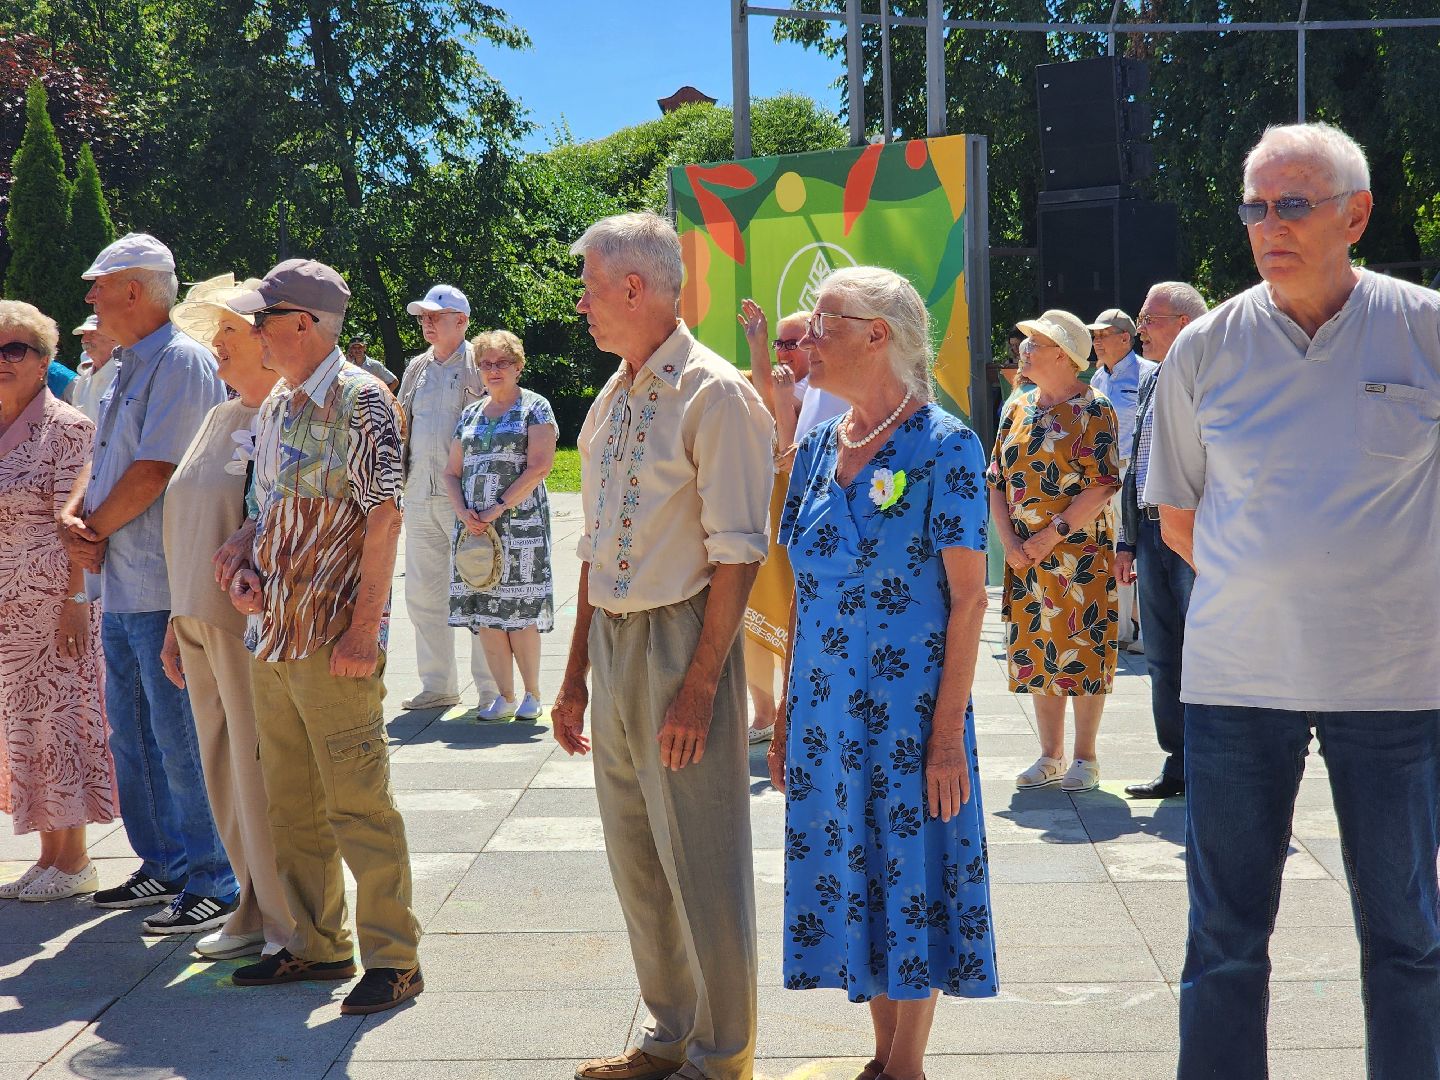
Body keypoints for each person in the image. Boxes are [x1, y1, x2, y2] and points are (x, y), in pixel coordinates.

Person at [1146, 121, 1440, 1080]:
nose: (1269, 225)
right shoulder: (1203, 349)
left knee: (1409, 940)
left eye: (1295, 204)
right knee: (1223, 941)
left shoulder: (1426, 329)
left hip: (1399, 686)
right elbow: (1180, 517)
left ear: (1356, 214)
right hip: (1236, 685)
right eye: (1256, 207)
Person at [553, 211, 773, 1080]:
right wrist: (570, 678)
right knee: (638, 855)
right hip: (613, 641)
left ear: (635, 288)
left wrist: (698, 687)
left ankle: (724, 1058)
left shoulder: (715, 393)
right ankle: (666, 1036)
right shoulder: (615, 394)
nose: (581, 305)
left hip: (686, 641)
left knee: (704, 858)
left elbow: (738, 556)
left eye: (591, 288)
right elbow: (593, 550)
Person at [768, 267, 997, 1080]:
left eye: (826, 324)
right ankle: (878, 1057)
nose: (807, 340)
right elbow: (801, 589)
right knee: (852, 872)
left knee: (910, 872)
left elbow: (969, 602)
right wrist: (789, 708)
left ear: (879, 336)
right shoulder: (815, 449)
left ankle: (905, 1066)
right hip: (828, 712)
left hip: (910, 716)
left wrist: (945, 742)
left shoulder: (947, 445)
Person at [224, 258, 423, 1016]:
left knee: (358, 803)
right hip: (275, 632)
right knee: (292, 805)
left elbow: (385, 515)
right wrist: (243, 551)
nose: (255, 335)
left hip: (333, 635)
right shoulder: (278, 402)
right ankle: (316, 945)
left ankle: (395, 959)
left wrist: (364, 630)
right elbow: (271, 504)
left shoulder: (361, 400)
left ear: (302, 324)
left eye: (265, 321)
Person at [59, 233, 237, 934]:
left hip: (164, 581)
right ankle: (163, 862)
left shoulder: (182, 363)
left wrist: (93, 530)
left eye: (100, 285)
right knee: (132, 735)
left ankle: (212, 877)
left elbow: (156, 469)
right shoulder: (129, 364)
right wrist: (79, 515)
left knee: (177, 735)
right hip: (125, 585)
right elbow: (105, 460)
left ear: (136, 289)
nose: (91, 297)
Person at [158, 274, 294, 960]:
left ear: (267, 342)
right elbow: (188, 516)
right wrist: (174, 622)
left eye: (230, 335)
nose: (217, 348)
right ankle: (248, 905)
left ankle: (283, 919)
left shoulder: (284, 416)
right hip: (196, 618)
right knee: (222, 771)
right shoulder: (223, 412)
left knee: (257, 769)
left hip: (246, 624)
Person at [0, 301, 119, 902]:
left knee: (59, 726)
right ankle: (47, 855)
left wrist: (77, 598)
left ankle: (75, 861)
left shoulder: (69, 428)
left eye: (14, 349)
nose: (2, 361)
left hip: (53, 604)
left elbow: (82, 525)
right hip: (5, 610)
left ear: (44, 363)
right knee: (21, 731)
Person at [986, 309, 1121, 793]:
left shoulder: (1094, 408)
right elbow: (996, 481)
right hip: (1024, 555)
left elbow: (1103, 484)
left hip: (1078, 553)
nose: (1023, 351)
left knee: (1081, 648)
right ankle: (1050, 755)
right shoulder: (1016, 407)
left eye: (1034, 344)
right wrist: (1010, 542)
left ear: (1063, 356)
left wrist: (1051, 534)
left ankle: (1085, 757)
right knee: (1036, 649)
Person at [1114, 282, 1208, 800]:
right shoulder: (1151, 380)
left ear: (1185, 323)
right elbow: (1136, 468)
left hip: (1192, 528)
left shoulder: (1209, 374)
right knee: (1162, 652)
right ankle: (1177, 761)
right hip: (1150, 532)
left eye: (1149, 320)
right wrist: (1127, 540)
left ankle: (1209, 758)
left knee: (1203, 648)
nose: (1140, 329)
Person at [443, 329, 558, 721]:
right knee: (487, 613)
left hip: (519, 526)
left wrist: (497, 508)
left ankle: (532, 693)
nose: (493, 370)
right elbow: (451, 472)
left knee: (520, 611)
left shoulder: (535, 407)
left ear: (518, 366)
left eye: (501, 362)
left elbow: (540, 466)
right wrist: (464, 513)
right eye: (486, 363)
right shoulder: (470, 414)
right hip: (475, 528)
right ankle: (503, 697)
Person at [394, 283, 494, 711]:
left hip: (466, 499)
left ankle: (491, 687)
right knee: (422, 593)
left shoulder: (481, 365)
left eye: (436, 315)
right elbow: (401, 426)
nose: (427, 323)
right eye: (423, 317)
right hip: (419, 494)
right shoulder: (417, 367)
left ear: (462, 321)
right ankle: (437, 684)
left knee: (477, 588)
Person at [1087, 309, 1156, 653]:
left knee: (1140, 548)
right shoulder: (1097, 380)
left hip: (1138, 472)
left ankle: (1147, 632)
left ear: (1125, 338)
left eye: (1103, 335)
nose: (1096, 342)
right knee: (1114, 549)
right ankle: (1122, 627)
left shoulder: (1148, 374)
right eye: (1094, 336)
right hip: (1106, 476)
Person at [65, 314, 119, 424]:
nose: (84, 340)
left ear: (113, 337)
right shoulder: (83, 380)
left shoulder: (123, 375)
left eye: (92, 333)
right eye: (84, 334)